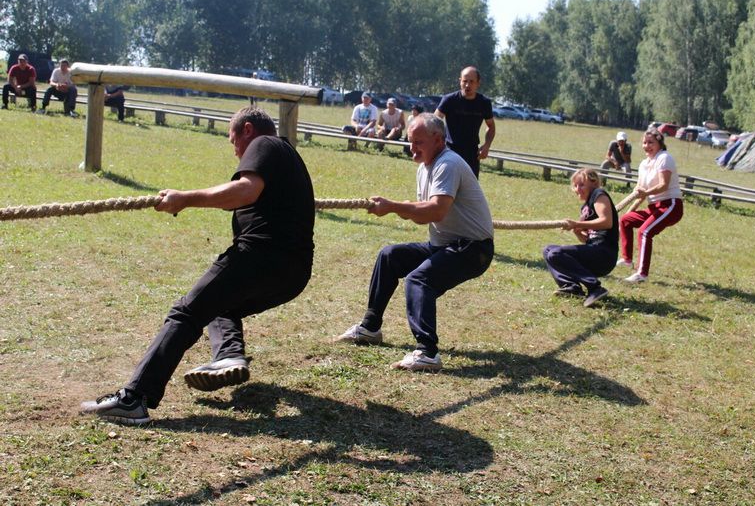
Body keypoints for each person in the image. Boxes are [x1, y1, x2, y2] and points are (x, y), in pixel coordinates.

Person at [80, 107, 315, 424]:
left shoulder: (265, 144)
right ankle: (228, 355)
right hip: (294, 273)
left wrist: (184, 198)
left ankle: (133, 398)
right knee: (219, 305)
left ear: (246, 130)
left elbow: (244, 191)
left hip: (260, 257)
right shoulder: (288, 158)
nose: (236, 153)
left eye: (233, 142)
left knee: (187, 312)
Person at [333, 113, 494, 371]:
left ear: (438, 139)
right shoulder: (424, 167)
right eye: (410, 141)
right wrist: (396, 208)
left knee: (419, 280)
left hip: (473, 249)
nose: (412, 147)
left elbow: (436, 211)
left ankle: (427, 352)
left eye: (418, 142)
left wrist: (393, 206)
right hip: (445, 246)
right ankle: (370, 328)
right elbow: (425, 216)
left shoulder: (448, 164)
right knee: (390, 256)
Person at [543, 168, 618, 308]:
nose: (578, 189)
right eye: (575, 185)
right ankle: (572, 287)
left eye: (582, 184)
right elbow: (587, 240)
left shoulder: (598, 194)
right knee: (548, 250)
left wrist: (577, 223)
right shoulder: (586, 207)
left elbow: (607, 222)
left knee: (556, 253)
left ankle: (595, 288)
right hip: (594, 251)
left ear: (594, 183)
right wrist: (577, 231)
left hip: (604, 255)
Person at [617, 127, 683, 283]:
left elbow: (663, 185)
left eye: (651, 142)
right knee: (625, 220)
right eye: (644, 143)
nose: (647, 146)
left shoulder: (664, 158)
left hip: (671, 206)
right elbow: (640, 188)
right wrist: (636, 195)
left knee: (645, 232)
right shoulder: (643, 164)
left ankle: (642, 274)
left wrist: (645, 194)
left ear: (659, 143)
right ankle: (627, 260)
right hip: (654, 207)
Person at [435, 66, 495, 178]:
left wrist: (487, 145)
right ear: (460, 81)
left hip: (472, 153)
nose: (467, 85)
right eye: (465, 81)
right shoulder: (449, 100)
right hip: (449, 150)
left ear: (478, 83)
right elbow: (434, 121)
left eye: (471, 82)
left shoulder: (484, 103)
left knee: (470, 192)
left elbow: (491, 126)